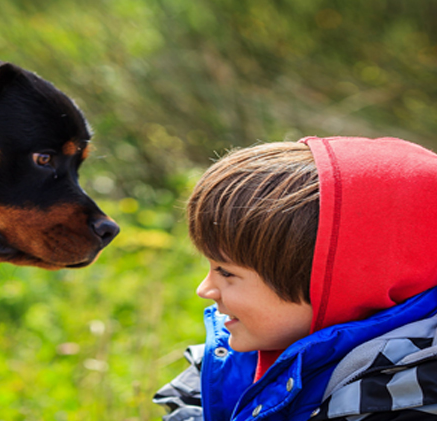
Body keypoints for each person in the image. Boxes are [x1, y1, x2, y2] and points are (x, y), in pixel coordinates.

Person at [153, 136, 437, 421]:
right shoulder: (229, 362)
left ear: (341, 285)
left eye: (226, 272)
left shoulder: (398, 400)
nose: (205, 289)